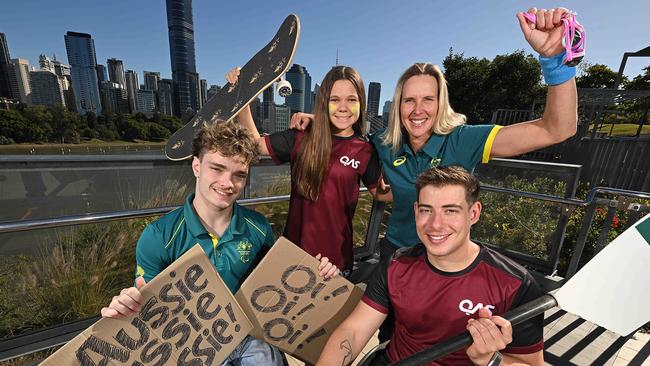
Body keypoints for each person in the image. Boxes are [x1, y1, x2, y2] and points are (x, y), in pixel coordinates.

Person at [290, 7, 579, 262]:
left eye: (428, 99)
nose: (418, 110)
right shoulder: (383, 143)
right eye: (408, 100)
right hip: (395, 256)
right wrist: (322, 120)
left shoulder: (464, 139)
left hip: (447, 262)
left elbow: (557, 128)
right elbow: (355, 149)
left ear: (442, 103)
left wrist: (554, 62)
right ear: (398, 105)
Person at [101, 121, 339, 366]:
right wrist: (126, 307)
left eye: (239, 175)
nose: (228, 183)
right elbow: (147, 305)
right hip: (195, 345)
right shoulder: (159, 236)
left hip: (250, 336)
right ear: (196, 166)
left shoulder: (258, 227)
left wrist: (317, 273)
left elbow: (280, 283)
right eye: (217, 168)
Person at [315, 166, 544, 366]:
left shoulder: (515, 284)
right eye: (426, 210)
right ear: (415, 211)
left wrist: (490, 361)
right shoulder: (397, 264)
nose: (435, 224)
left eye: (450, 211)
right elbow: (353, 332)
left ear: (473, 214)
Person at [227, 65, 388, 277]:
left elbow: (380, 192)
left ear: (361, 103)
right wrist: (242, 98)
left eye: (351, 99)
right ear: (323, 102)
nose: (343, 107)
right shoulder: (302, 136)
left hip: (337, 260)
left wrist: (423, 187)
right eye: (334, 99)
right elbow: (255, 145)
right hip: (294, 252)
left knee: (331, 311)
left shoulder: (365, 150)